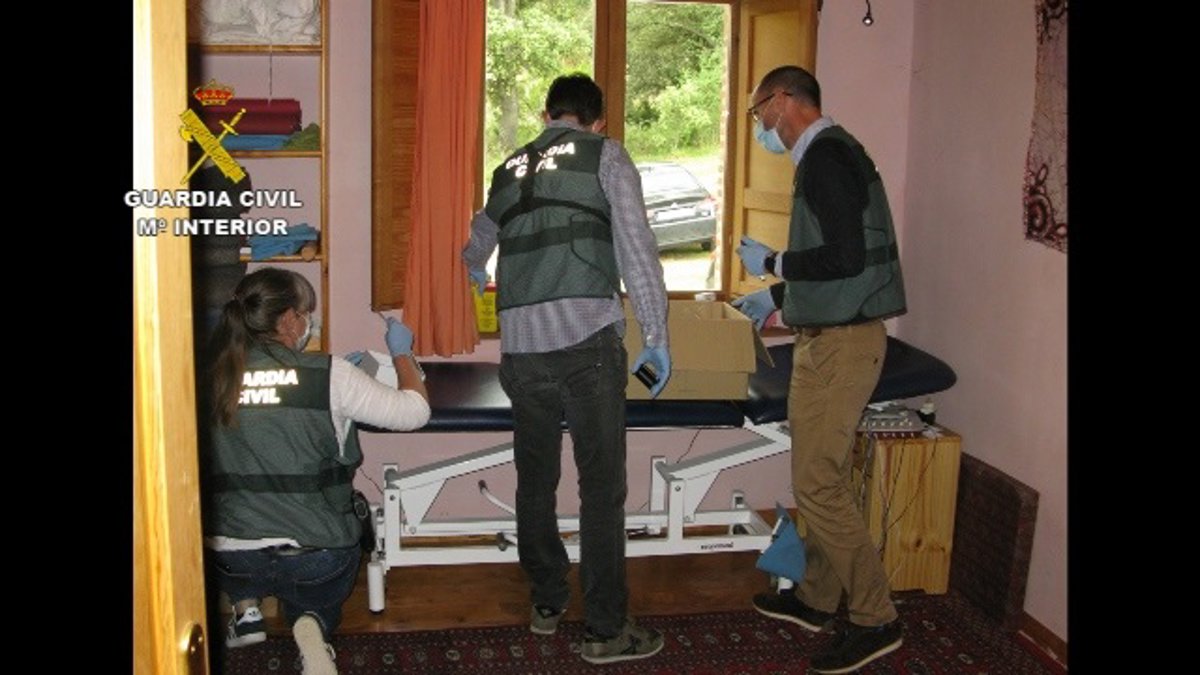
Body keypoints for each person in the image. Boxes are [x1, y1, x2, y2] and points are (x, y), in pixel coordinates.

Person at [462, 73, 671, 665]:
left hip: (522, 351)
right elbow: (636, 249)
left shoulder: (509, 168)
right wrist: (657, 334)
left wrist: (476, 268)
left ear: (546, 115)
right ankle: (606, 630)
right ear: (597, 121)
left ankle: (547, 601)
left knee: (536, 480)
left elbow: (476, 243)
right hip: (586, 346)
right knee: (601, 490)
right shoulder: (606, 155)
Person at [732, 65, 908, 674]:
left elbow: (844, 256)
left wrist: (774, 263)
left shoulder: (827, 156)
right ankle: (815, 597)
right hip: (830, 336)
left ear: (782, 100)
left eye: (759, 112)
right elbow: (842, 263)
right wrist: (779, 297)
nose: (761, 126)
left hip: (843, 345)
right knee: (820, 478)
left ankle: (875, 617)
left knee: (818, 485)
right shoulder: (829, 153)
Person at [200, 267, 430, 675]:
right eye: (306, 313)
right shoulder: (331, 375)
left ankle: (245, 607)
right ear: (289, 320)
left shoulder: (206, 376)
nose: (310, 322)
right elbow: (415, 412)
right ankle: (311, 623)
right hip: (316, 555)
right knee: (316, 593)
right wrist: (402, 353)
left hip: (230, 555)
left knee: (235, 536)